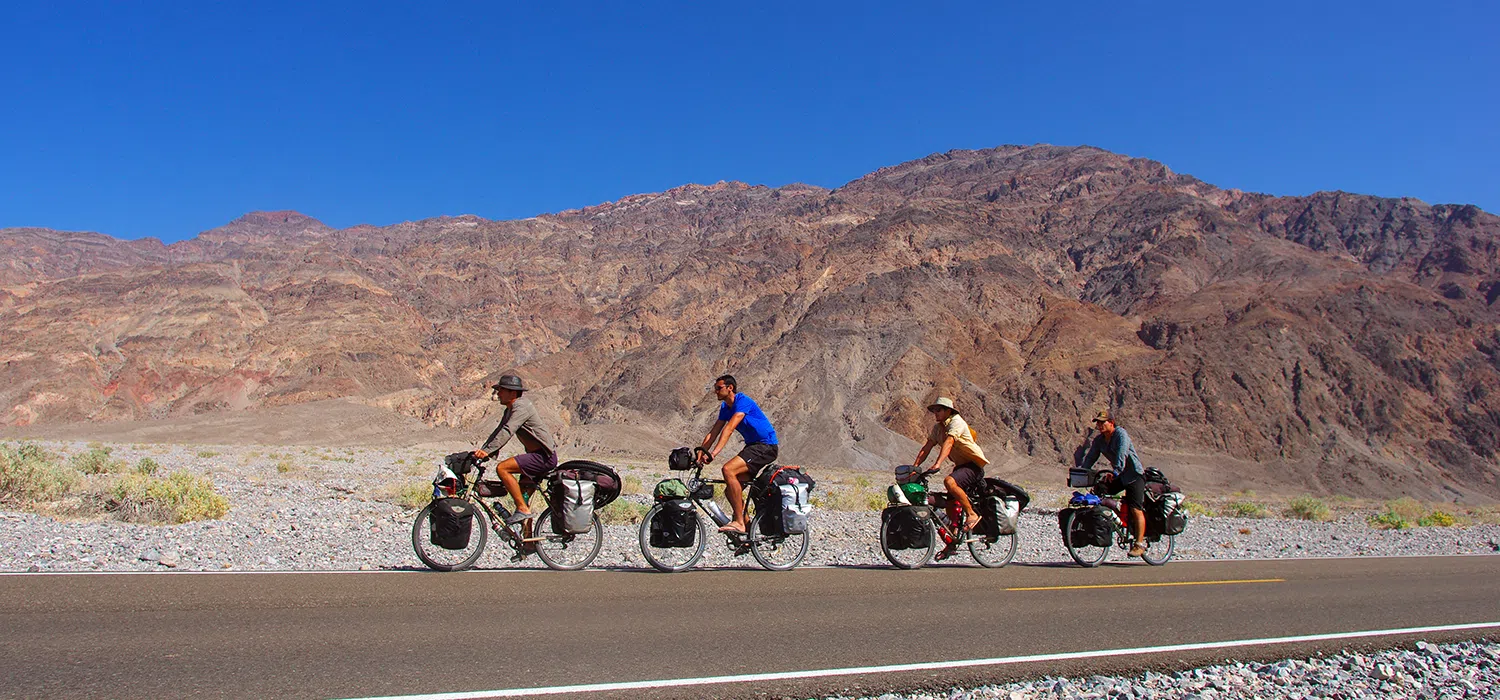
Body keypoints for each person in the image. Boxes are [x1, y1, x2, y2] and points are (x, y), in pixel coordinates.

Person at [472, 374, 558, 535]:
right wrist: (483, 451)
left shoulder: (521, 407)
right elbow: (498, 431)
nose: (498, 393)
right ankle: (528, 542)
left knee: (503, 468)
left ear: (512, 392)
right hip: (536, 456)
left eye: (501, 390)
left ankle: (522, 509)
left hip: (543, 457)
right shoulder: (510, 410)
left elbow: (508, 430)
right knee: (524, 496)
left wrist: (487, 452)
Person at [696, 374, 779, 534]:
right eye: (715, 388)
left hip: (766, 446)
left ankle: (739, 522)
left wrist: (714, 453)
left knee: (728, 469)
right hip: (753, 446)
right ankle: (747, 533)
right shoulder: (725, 408)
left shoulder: (743, 401)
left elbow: (729, 428)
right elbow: (713, 432)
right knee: (731, 492)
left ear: (730, 388)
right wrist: (700, 454)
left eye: (719, 388)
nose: (715, 391)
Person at [912, 397, 988, 537]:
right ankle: (952, 541)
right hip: (960, 467)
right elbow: (927, 447)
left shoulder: (956, 422)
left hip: (973, 466)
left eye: (939, 410)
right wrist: (915, 467)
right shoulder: (937, 428)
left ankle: (971, 514)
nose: (935, 413)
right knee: (951, 505)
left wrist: (938, 463)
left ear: (948, 411)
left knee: (949, 481)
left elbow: (949, 442)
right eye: (934, 410)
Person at [1080, 409, 1148, 557]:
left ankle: (1139, 544)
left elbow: (1122, 454)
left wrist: (1116, 471)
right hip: (1120, 476)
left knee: (1135, 508)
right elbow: (1091, 458)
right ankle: (1112, 522)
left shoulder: (1121, 434)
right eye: (1098, 423)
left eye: (1102, 422)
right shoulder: (1099, 440)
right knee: (1100, 492)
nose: (1099, 425)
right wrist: (1082, 472)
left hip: (1134, 476)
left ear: (1111, 423)